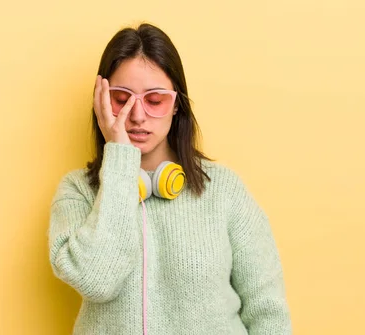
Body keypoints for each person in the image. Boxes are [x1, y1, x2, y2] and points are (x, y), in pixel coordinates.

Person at [48, 23, 292, 334]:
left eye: (155, 100)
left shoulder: (225, 191)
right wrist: (121, 164)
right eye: (121, 98)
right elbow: (97, 280)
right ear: (102, 103)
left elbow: (268, 310)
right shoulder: (78, 192)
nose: (137, 116)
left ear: (176, 104)